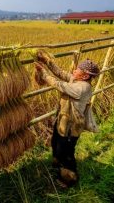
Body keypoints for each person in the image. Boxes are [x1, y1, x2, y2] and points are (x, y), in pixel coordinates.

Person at [35, 51, 100, 187]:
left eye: (78, 70)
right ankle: (58, 165)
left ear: (86, 75)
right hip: (63, 121)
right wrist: (47, 62)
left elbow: (60, 85)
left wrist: (44, 74)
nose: (74, 70)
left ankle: (69, 178)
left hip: (72, 127)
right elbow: (61, 73)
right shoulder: (77, 80)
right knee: (56, 143)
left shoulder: (81, 88)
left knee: (67, 153)